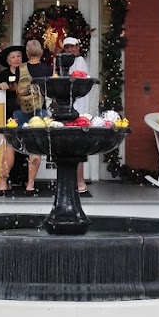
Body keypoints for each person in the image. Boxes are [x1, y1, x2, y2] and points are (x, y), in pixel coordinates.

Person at [15, 38, 49, 195]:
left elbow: (17, 90)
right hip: (40, 111)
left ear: (27, 53)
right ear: (41, 52)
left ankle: (4, 182)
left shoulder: (20, 69)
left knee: (12, 144)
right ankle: (30, 184)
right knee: (35, 147)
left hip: (21, 110)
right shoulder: (47, 69)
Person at [0, 45, 24, 196]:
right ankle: (8, 178)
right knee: (9, 145)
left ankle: (22, 179)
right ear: (8, 61)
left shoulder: (25, 73)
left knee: (23, 145)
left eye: (18, 56)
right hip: (7, 113)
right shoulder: (3, 74)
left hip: (23, 112)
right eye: (13, 57)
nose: (16, 59)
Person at [61, 36, 93, 197]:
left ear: (78, 47)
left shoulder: (80, 61)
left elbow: (78, 83)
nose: (69, 50)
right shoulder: (61, 63)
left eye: (72, 47)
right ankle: (68, 182)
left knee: (77, 146)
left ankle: (80, 182)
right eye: (67, 47)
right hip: (64, 109)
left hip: (79, 111)